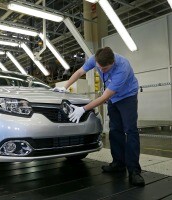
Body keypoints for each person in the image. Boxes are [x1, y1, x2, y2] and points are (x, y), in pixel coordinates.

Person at [53, 47, 145, 186]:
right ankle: (118, 164)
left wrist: (83, 109)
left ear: (112, 63)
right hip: (114, 99)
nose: (101, 70)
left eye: (105, 68)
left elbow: (104, 97)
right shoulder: (95, 60)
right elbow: (79, 72)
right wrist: (65, 86)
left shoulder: (122, 68)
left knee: (130, 130)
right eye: (99, 67)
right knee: (114, 130)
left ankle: (134, 171)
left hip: (127, 97)